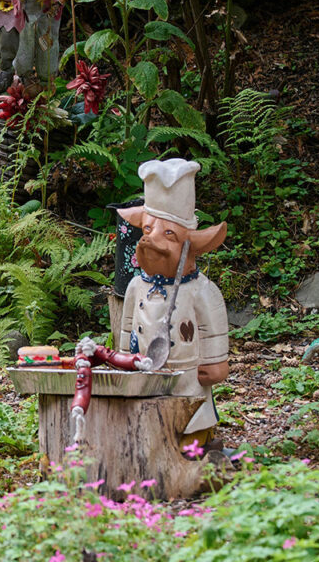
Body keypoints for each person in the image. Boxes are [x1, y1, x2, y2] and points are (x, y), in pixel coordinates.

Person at [117, 158, 230, 447]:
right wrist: (123, 356)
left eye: (168, 234)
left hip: (186, 375)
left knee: (189, 414)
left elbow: (212, 328)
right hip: (144, 369)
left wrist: (215, 362)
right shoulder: (136, 286)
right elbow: (127, 326)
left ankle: (194, 441)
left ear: (190, 244)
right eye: (147, 231)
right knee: (143, 413)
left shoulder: (200, 290)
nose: (151, 240)